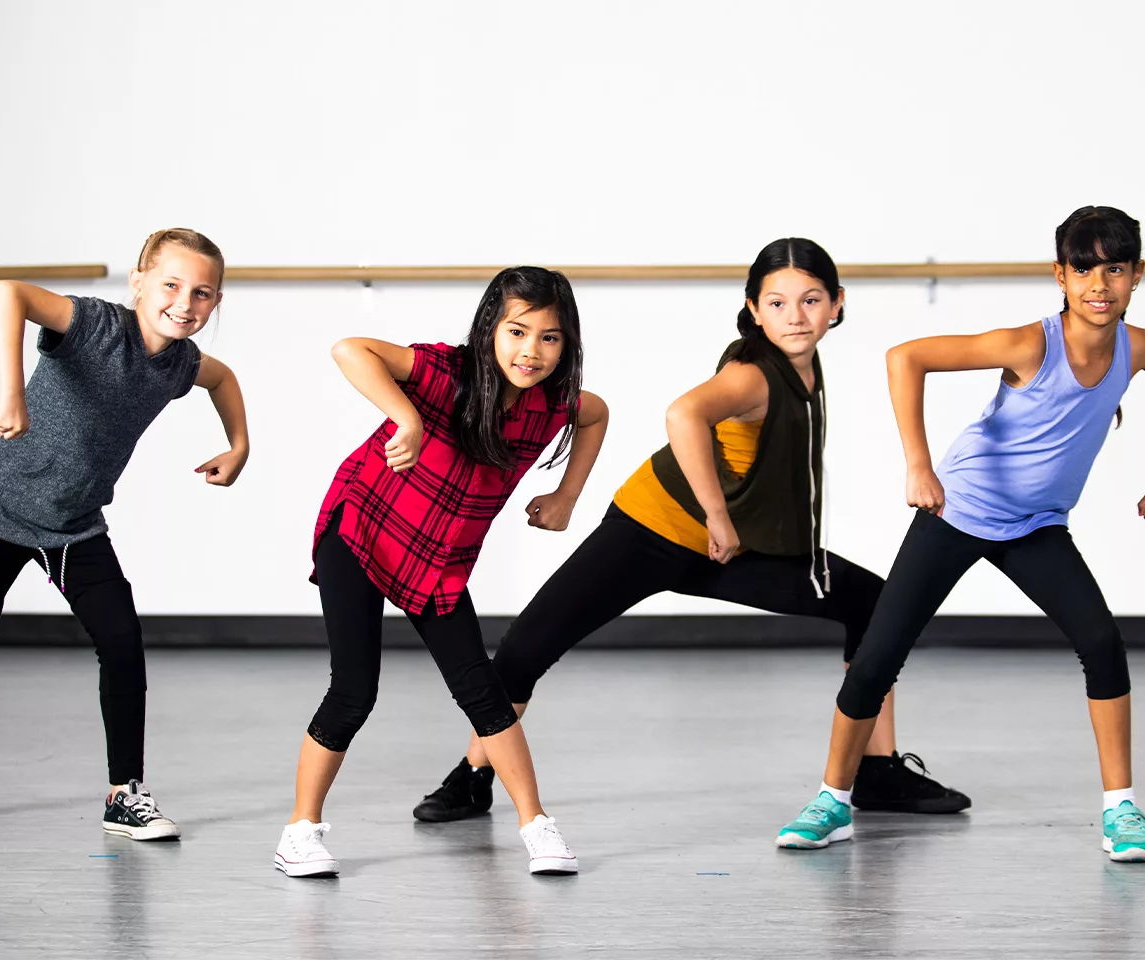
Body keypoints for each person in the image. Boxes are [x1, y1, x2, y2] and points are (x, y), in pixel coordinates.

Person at [412, 238, 969, 827]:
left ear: (836, 304)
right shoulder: (754, 373)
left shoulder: (802, 364)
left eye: (810, 300)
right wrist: (718, 515)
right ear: (754, 309)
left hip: (725, 549)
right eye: (777, 303)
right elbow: (684, 414)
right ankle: (473, 776)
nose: (795, 316)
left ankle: (876, 770)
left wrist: (725, 527)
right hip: (651, 531)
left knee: (872, 604)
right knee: (526, 649)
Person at [776, 206, 1145, 863]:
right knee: (879, 656)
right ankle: (832, 799)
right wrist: (918, 462)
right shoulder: (1031, 343)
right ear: (1061, 274)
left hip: (1037, 527)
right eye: (1084, 268)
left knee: (1103, 643)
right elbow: (906, 358)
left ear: (1137, 275)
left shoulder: (1138, 349)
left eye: (1115, 267)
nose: (1099, 282)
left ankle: (1122, 810)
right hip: (958, 513)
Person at [0, 228, 249, 841]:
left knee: (122, 642)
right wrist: (12, 389)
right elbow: (6, 291)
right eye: (171, 285)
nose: (185, 303)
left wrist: (239, 445)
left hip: (73, 525)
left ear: (215, 303)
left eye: (202, 293)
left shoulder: (179, 364)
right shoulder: (93, 325)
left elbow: (222, 379)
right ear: (138, 283)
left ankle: (125, 795)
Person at [274, 266, 609, 878]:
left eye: (549, 338)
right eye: (515, 331)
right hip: (363, 529)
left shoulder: (549, 404)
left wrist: (567, 497)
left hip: (438, 555)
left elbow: (595, 413)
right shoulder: (446, 373)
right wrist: (406, 418)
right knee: (354, 690)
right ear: (489, 330)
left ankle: (537, 826)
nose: (530, 351)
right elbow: (351, 349)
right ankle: (300, 831)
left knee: (480, 687)